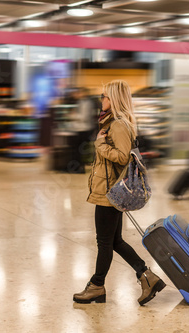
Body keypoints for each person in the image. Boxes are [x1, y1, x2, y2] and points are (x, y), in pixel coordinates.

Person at [73, 80, 165, 305]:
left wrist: (100, 146)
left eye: (104, 96)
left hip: (110, 192)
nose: (101, 100)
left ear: (114, 99)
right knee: (114, 241)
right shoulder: (113, 123)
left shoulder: (118, 125)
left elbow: (123, 157)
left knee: (105, 242)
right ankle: (146, 276)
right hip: (110, 189)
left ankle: (97, 286)